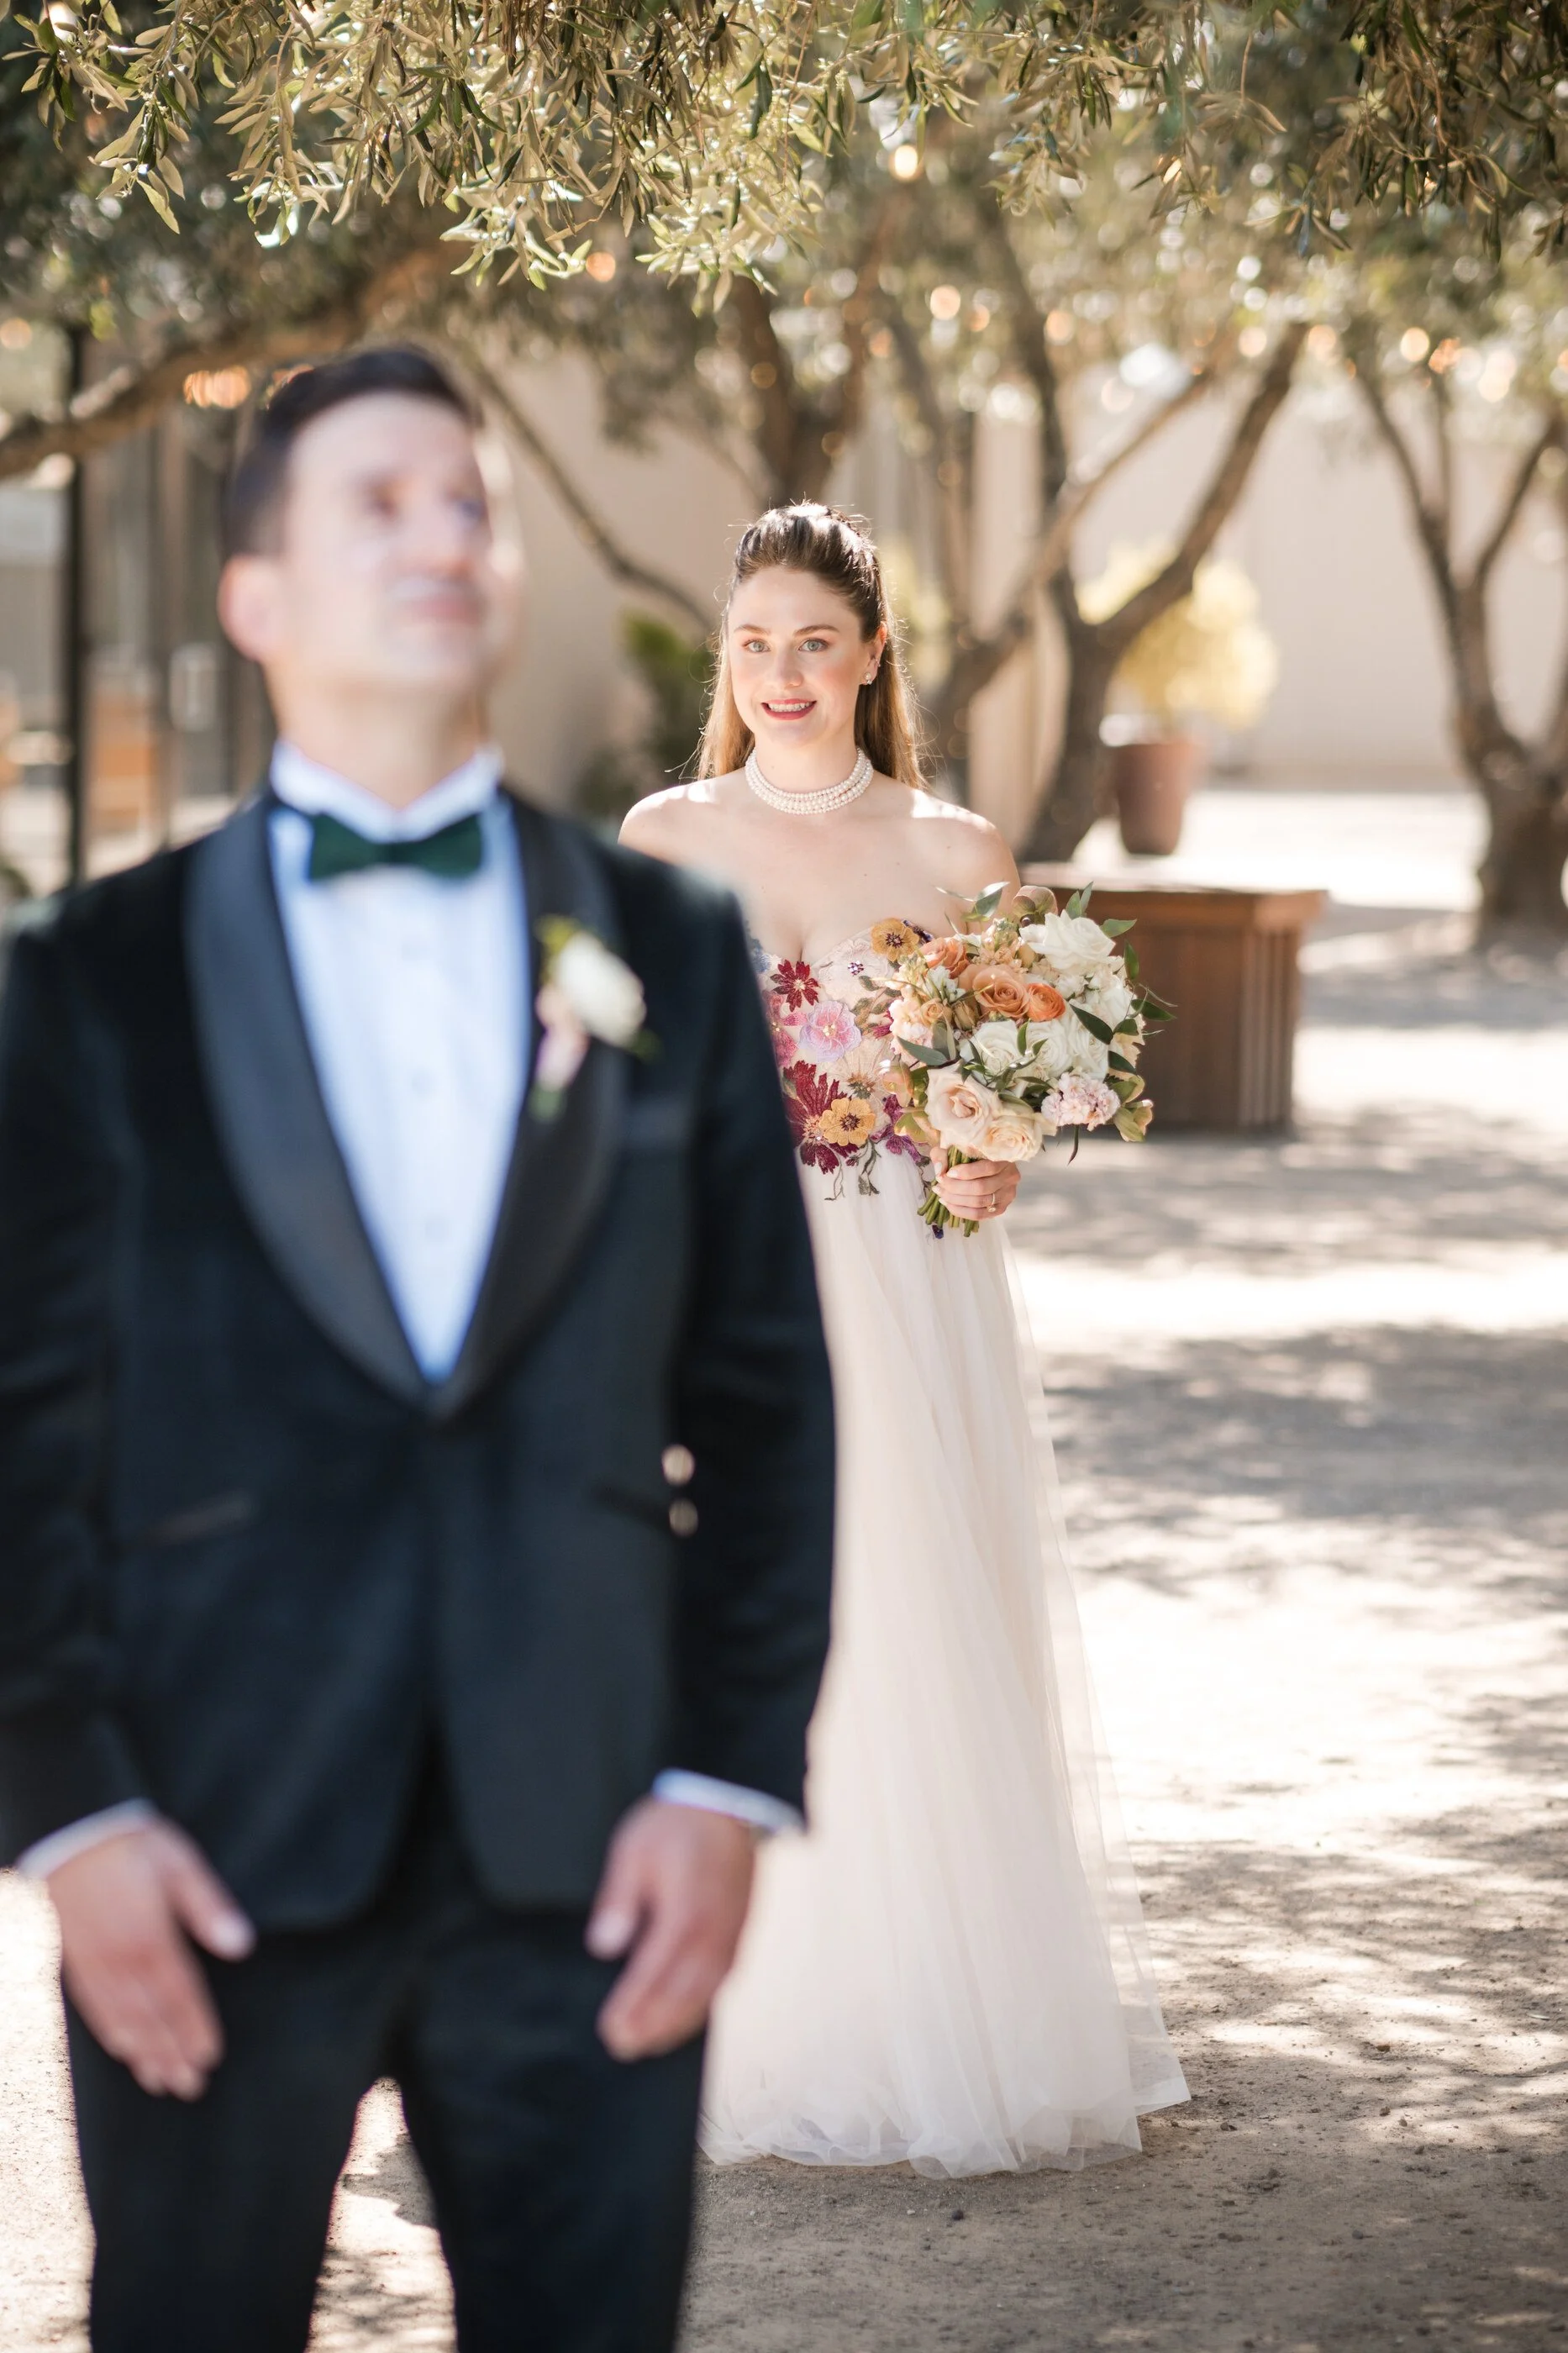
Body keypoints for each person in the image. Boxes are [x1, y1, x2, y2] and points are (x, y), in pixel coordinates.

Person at [0, 350, 836, 2352]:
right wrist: (72, 1812)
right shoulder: (83, 982)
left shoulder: (668, 947)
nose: (441, 534)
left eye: (468, 501)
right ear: (255, 597)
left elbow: (766, 1400)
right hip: (211, 1851)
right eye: (372, 503)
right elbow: (21, 1424)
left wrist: (728, 1775)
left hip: (595, 1841)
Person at [621, 502, 1188, 2177]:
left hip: (906, 1261)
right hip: (730, 1268)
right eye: (756, 642)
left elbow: (1013, 1094)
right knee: (736, 1597)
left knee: (910, 1598)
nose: (784, 673)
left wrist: (999, 1133)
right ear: (729, 659)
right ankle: (732, 1998)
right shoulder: (662, 836)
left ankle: (937, 2009)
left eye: (815, 640)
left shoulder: (957, 852)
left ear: (872, 651)